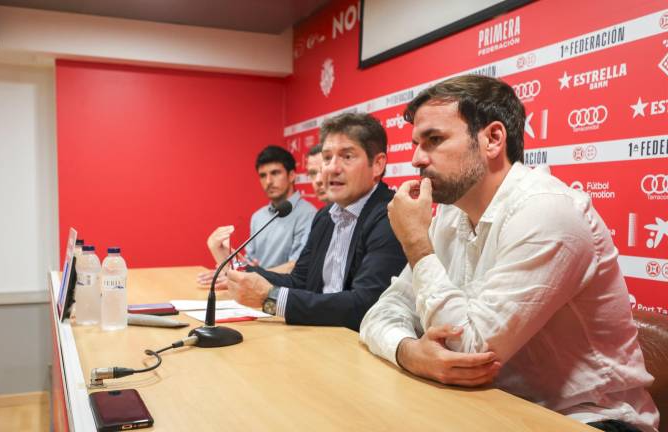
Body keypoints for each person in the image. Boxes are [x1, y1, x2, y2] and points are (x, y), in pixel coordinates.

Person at [359, 75, 659, 431]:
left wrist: (415, 244)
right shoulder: (450, 213)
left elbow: (466, 353)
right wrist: (409, 352)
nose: (416, 159)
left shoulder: (547, 212)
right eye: (415, 144)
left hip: (589, 419)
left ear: (493, 139)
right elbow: (381, 313)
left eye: (434, 140)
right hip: (494, 407)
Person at [226, 113, 407, 331]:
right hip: (321, 336)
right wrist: (243, 272)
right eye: (327, 158)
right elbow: (300, 282)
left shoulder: (391, 215)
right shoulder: (324, 217)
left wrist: (272, 298)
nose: (331, 168)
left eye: (347, 156)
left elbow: (365, 304)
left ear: (377, 164)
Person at [199, 146, 316, 285]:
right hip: (253, 290)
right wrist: (229, 270)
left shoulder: (309, 215)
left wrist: (248, 276)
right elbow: (250, 262)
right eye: (262, 175)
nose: (268, 181)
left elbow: (295, 267)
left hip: (285, 294)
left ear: (291, 175)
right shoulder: (258, 216)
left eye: (275, 173)